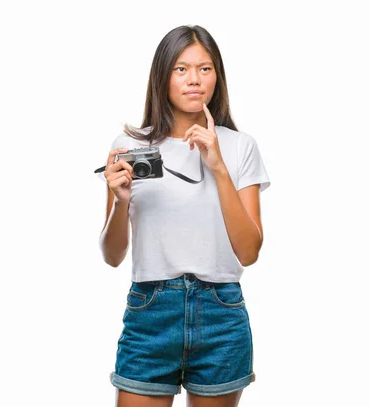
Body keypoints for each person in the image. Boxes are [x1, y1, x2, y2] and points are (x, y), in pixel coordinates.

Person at [98, 25, 270, 407]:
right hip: (150, 311)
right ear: (162, 76)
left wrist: (219, 167)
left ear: (217, 76)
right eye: (181, 69)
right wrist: (121, 199)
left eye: (205, 69)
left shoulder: (239, 146)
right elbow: (111, 256)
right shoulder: (129, 146)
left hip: (220, 313)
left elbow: (249, 252)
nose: (195, 79)